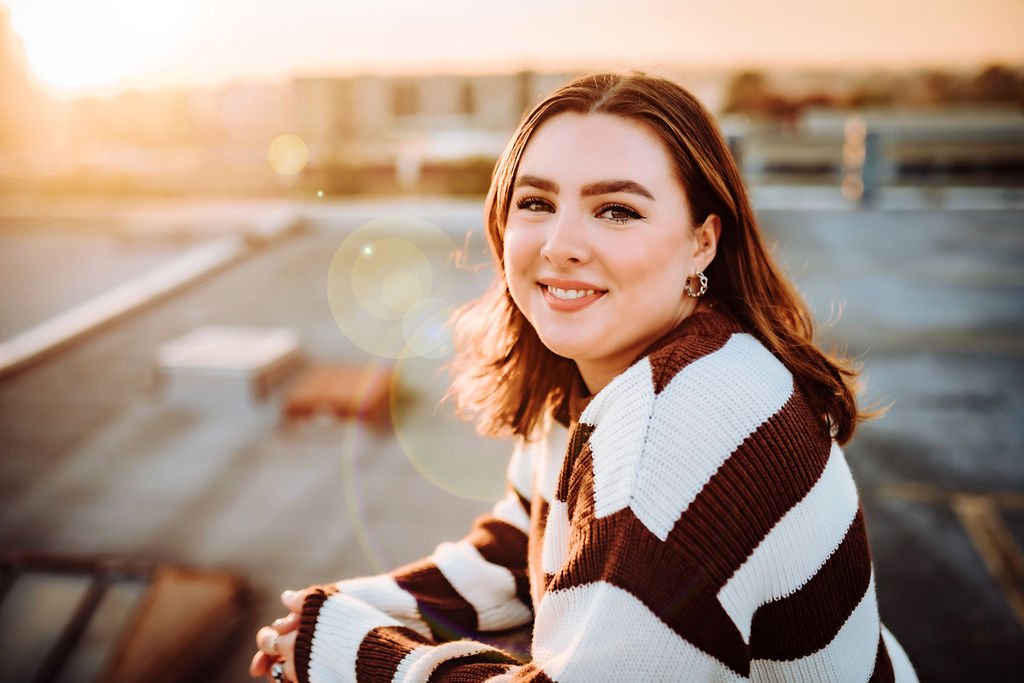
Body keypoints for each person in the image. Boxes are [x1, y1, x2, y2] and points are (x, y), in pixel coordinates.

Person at [249, 72, 917, 682]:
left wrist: (351, 653)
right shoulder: (600, 369)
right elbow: (519, 548)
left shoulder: (685, 416)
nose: (560, 242)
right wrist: (345, 610)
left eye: (616, 210)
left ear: (702, 241)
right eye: (535, 202)